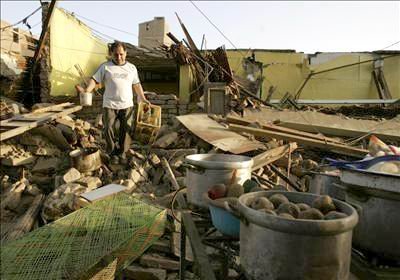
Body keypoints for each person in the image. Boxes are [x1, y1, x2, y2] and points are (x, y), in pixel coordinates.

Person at [81, 41, 149, 163]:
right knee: (108, 129)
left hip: (127, 104)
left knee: (126, 129)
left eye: (121, 54)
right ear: (111, 54)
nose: (119, 57)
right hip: (109, 104)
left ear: (126, 53)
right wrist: (87, 90)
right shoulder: (105, 67)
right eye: (116, 54)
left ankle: (122, 153)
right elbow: (94, 80)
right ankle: (112, 153)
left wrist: (142, 98)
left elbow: (136, 84)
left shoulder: (131, 68)